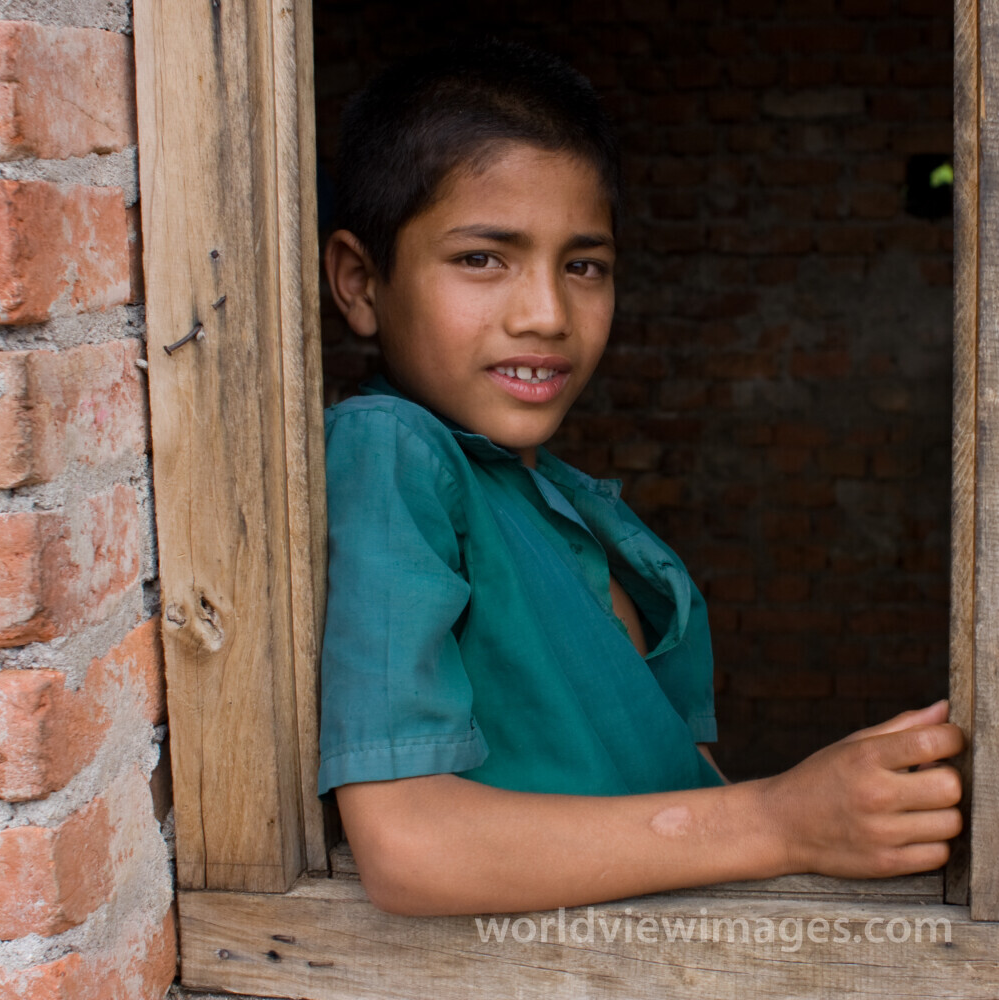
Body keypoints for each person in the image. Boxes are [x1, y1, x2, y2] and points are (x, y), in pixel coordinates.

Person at [317, 41, 964, 916]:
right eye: (482, 258)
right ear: (360, 282)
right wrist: (783, 819)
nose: (546, 313)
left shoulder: (560, 501)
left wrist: (847, 803)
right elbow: (410, 845)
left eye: (584, 265)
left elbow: (673, 798)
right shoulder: (390, 451)